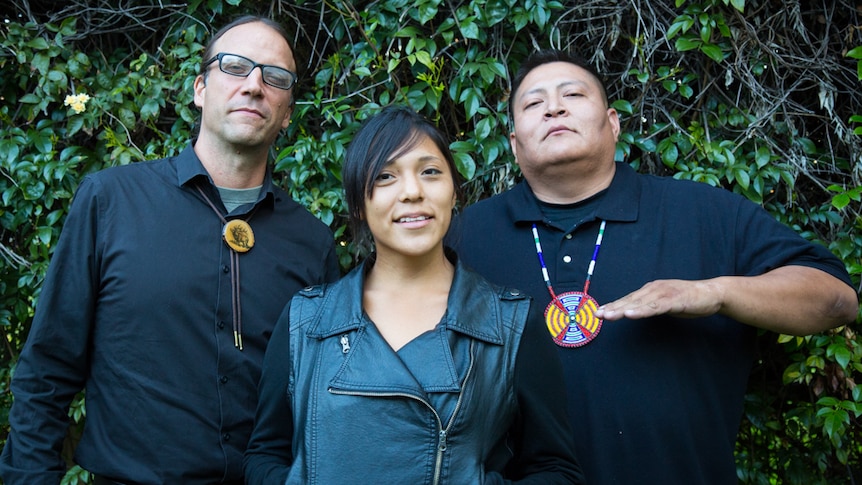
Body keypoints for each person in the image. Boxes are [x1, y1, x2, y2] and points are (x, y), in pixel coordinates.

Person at [449, 49, 858, 484]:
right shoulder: (461, 239)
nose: (554, 107)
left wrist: (713, 292)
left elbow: (836, 298)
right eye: (533, 103)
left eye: (572, 94)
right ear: (514, 144)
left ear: (613, 123)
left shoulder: (701, 212)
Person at [0, 15, 341, 485]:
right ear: (200, 88)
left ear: (286, 112)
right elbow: (47, 371)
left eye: (275, 76)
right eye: (235, 66)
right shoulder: (110, 202)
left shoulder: (313, 244)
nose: (255, 85)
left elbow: (322, 403)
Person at [243, 105, 585, 484]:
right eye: (386, 176)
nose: (412, 192)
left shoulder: (511, 325)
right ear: (358, 203)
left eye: (430, 172)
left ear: (454, 192)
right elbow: (265, 455)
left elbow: (555, 470)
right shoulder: (306, 322)